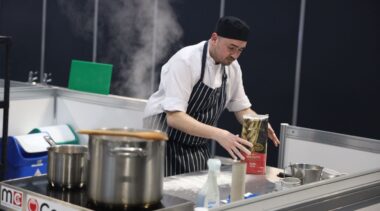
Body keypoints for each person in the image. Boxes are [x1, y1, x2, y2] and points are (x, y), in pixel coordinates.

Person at [143, 16, 280, 176]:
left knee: (199, 192)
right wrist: (221, 135)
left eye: (240, 50)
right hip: (162, 141)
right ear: (214, 38)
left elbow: (242, 109)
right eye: (231, 48)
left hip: (195, 143)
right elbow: (174, 118)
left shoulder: (232, 68)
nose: (235, 55)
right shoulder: (185, 61)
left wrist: (259, 124)